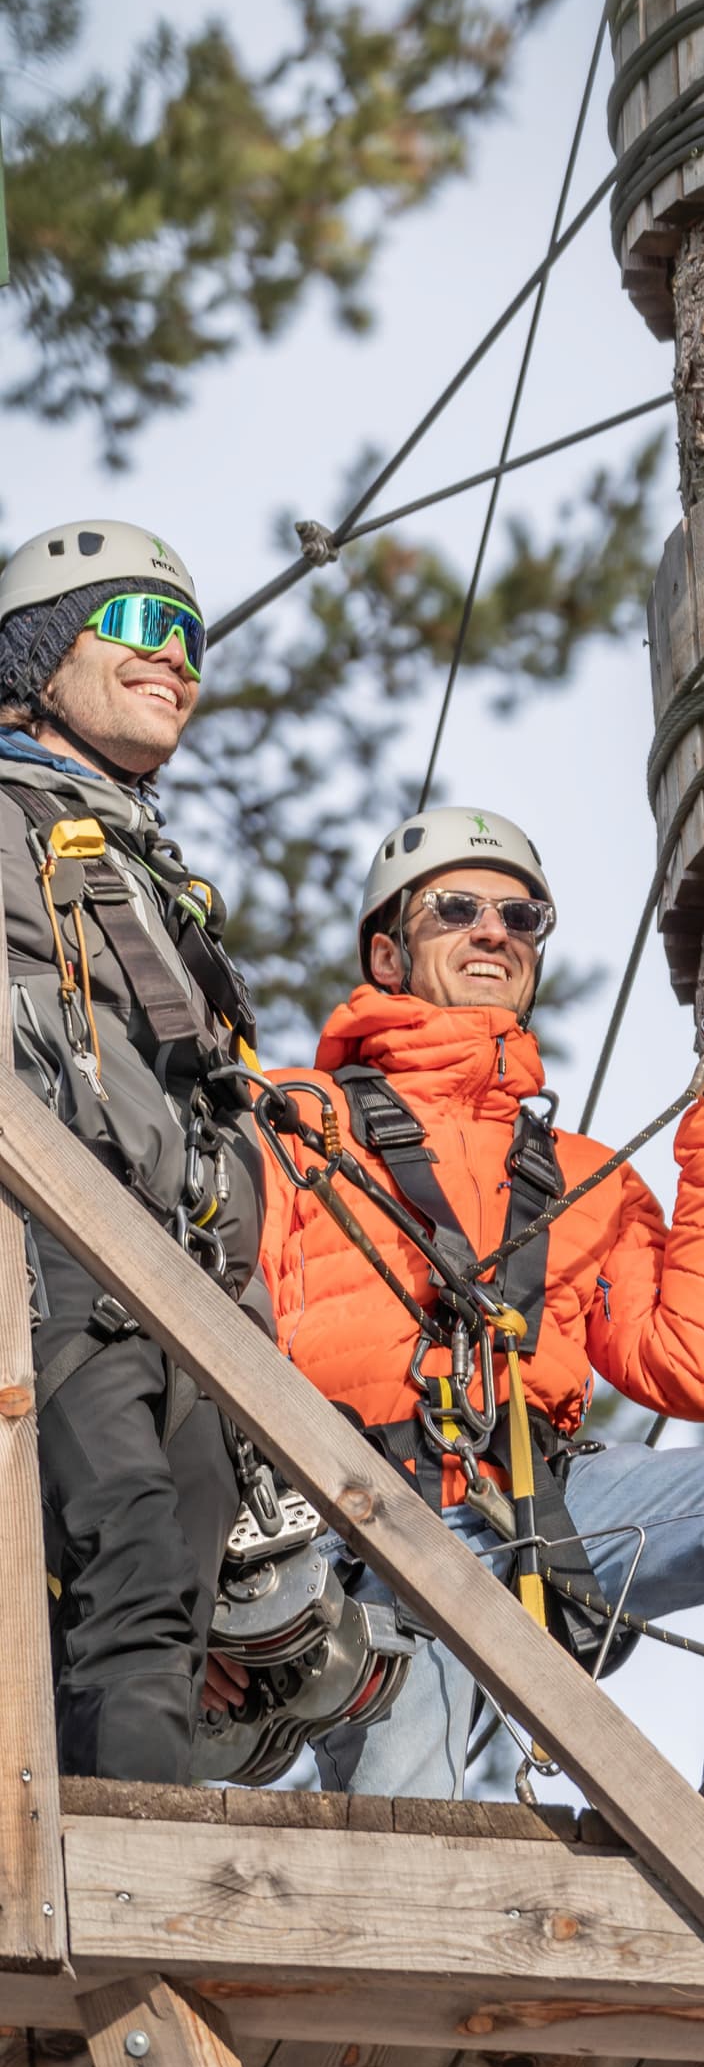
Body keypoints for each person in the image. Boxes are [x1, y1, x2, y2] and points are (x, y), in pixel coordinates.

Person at [257, 803, 704, 1794]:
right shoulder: (297, 1123)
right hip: (368, 1522)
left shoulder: (581, 1175)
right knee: (411, 1806)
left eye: (521, 918)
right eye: (455, 909)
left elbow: (693, 1369)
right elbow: (231, 1319)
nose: (495, 930)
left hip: (539, 1504)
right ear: (388, 956)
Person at [0, 520, 266, 1781]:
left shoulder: (151, 876)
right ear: (42, 654)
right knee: (131, 1565)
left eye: (192, 638)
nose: (177, 659)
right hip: (57, 1250)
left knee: (180, 1613)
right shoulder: (6, 819)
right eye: (140, 624)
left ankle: (131, 1855)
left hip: (191, 1283)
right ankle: (120, 1895)